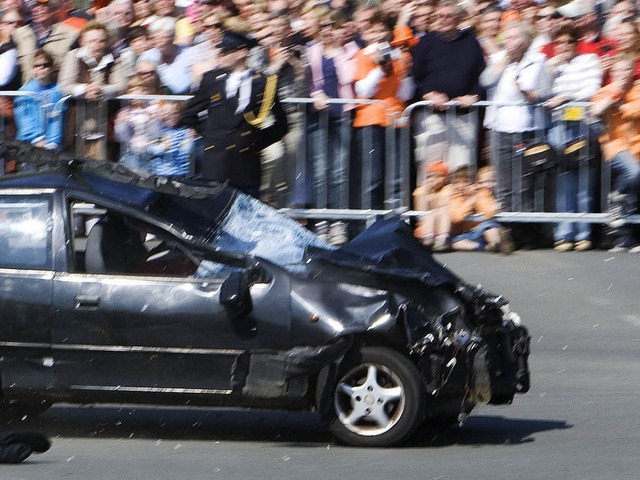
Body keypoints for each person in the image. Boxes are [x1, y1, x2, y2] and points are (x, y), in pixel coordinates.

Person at [180, 30, 288, 197]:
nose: (220, 55)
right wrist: (212, 135)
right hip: (216, 163)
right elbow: (189, 114)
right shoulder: (211, 79)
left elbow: (281, 124)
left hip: (246, 164)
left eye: (225, 52)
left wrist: (254, 142)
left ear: (242, 53)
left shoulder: (263, 82)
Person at [480, 21, 553, 248]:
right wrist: (502, 62)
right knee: (503, 182)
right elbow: (485, 81)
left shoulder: (538, 61)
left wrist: (530, 93)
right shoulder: (499, 60)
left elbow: (545, 92)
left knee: (523, 183)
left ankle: (526, 232)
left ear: (524, 40)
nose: (508, 42)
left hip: (526, 128)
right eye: (506, 38)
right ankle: (509, 230)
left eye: (513, 38)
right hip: (500, 128)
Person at [545, 25, 603, 252]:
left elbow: (591, 88)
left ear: (576, 43)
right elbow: (541, 90)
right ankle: (563, 233)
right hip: (558, 126)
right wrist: (551, 68)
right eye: (560, 42)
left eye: (569, 42)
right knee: (563, 184)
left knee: (582, 184)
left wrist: (567, 97)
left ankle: (583, 233)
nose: (564, 46)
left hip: (582, 125)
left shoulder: (588, 60)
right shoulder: (550, 65)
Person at [411, 0, 485, 173]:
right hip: (432, 115)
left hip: (463, 115)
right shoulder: (425, 43)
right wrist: (428, 94)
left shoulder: (472, 43)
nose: (443, 20)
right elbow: (415, 76)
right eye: (439, 16)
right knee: (432, 171)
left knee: (462, 169)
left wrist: (474, 96)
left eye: (448, 16)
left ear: (459, 18)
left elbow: (481, 77)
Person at [590, 55, 640, 252]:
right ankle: (616, 197)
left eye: (624, 71)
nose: (620, 75)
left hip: (637, 145)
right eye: (616, 71)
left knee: (634, 193)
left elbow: (635, 110)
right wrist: (614, 94)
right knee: (634, 173)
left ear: (632, 72)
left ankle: (626, 239)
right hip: (616, 145)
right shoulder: (607, 90)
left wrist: (620, 106)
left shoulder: (637, 90)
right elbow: (596, 110)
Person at [58, 21, 127, 159]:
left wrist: (102, 90)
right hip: (77, 124)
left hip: (105, 126)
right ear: (83, 41)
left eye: (102, 41)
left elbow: (122, 85)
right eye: (93, 41)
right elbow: (64, 84)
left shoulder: (114, 58)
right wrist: (84, 89)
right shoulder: (73, 56)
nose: (97, 44)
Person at [448, 165, 513, 253]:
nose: (461, 186)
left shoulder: (481, 193)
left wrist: (476, 196)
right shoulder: (455, 197)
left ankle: (497, 242)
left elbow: (489, 212)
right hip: (465, 233)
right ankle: (484, 247)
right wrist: (470, 202)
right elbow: (457, 217)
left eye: (465, 182)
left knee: (489, 228)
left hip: (481, 229)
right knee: (455, 243)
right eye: (457, 183)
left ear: (474, 183)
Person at [12, 0, 79, 81]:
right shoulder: (18, 35)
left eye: (44, 5)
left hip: (57, 91)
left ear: (54, 7)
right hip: (27, 91)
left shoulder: (71, 35)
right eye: (34, 5)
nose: (38, 9)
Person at [14, 48, 66, 150]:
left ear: (51, 68)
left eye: (45, 65)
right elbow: (24, 118)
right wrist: (35, 138)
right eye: (36, 65)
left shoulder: (58, 91)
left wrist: (53, 142)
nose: (40, 68)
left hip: (52, 145)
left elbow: (57, 119)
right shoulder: (25, 92)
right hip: (29, 143)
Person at [113, 75, 161, 173]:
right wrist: (120, 123)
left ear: (145, 91)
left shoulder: (153, 109)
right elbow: (120, 138)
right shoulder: (125, 112)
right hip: (131, 152)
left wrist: (152, 120)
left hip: (150, 152)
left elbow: (156, 135)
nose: (135, 94)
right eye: (131, 91)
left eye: (139, 89)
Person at [136, 16, 193, 94]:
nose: (157, 41)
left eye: (162, 38)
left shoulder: (189, 52)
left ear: (173, 37)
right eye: (154, 38)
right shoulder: (147, 56)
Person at [148, 100, 196, 177]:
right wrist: (161, 147)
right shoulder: (157, 131)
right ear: (162, 115)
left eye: (175, 113)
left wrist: (190, 138)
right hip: (159, 172)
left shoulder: (183, 131)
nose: (172, 116)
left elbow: (186, 150)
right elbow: (150, 149)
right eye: (167, 113)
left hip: (178, 172)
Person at [412, 160, 452, 251]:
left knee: (442, 211)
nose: (435, 179)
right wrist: (428, 193)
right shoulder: (421, 191)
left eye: (439, 176)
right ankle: (428, 239)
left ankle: (442, 240)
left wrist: (433, 197)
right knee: (430, 214)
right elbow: (421, 214)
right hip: (425, 227)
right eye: (431, 176)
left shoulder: (447, 189)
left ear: (446, 178)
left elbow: (443, 206)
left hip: (442, 227)